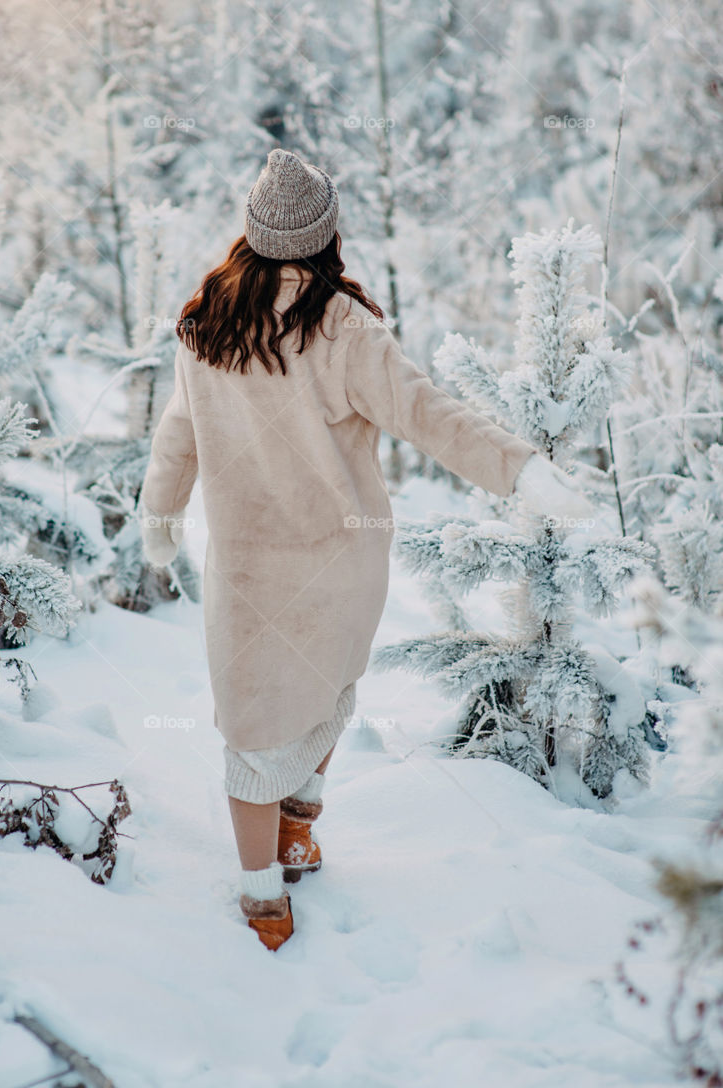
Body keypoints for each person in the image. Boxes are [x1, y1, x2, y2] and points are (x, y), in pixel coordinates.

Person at [138, 148, 593, 951]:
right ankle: (290, 840)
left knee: (252, 726)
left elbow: (176, 434)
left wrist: (160, 515)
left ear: (249, 235)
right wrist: (519, 472)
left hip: (245, 567)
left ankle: (264, 886)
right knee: (316, 697)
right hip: (340, 564)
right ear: (325, 237)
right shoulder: (342, 327)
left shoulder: (203, 322)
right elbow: (430, 415)